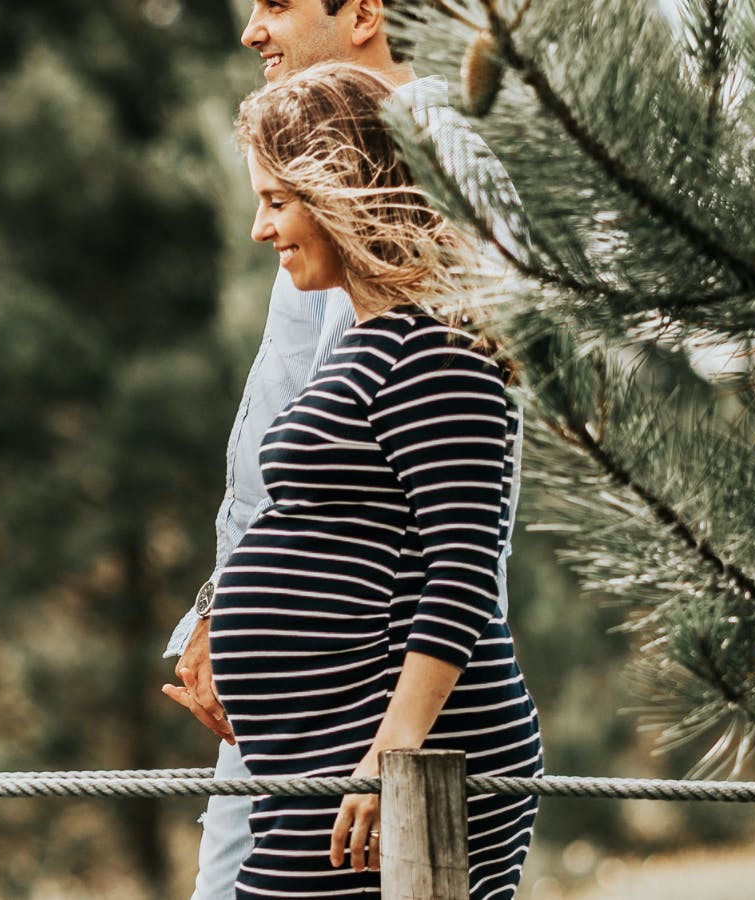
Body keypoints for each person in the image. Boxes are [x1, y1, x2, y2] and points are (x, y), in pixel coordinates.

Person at [160, 2, 525, 896]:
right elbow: (290, 471)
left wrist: (393, 736)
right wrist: (224, 608)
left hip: (375, 722)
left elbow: (459, 540)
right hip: (305, 727)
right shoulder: (343, 289)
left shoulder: (439, 201)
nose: (252, 29)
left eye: (277, 2)